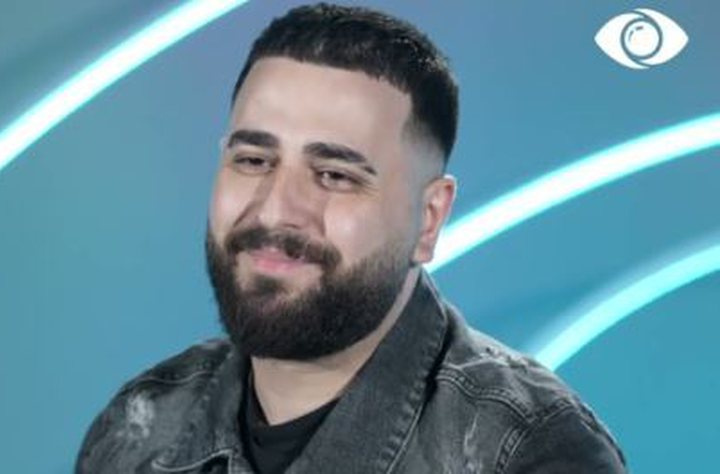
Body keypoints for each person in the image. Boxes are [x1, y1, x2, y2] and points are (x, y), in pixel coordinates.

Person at [76, 3, 627, 473]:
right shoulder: (140, 428)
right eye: (253, 160)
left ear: (428, 219)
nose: (275, 209)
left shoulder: (528, 451)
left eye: (335, 175)